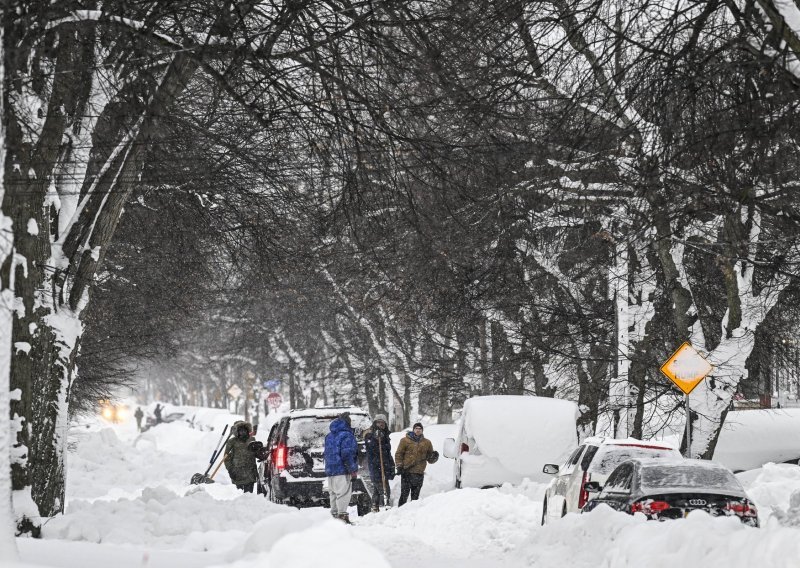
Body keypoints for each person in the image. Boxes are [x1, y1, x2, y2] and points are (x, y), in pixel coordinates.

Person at [324, 412, 359, 524]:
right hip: (342, 470)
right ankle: (342, 517)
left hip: (331, 470)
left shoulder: (329, 435)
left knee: (333, 494)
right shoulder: (347, 435)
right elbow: (347, 454)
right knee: (343, 493)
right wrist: (352, 470)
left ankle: (334, 517)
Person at [395, 422, 438, 506]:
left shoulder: (427, 442)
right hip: (406, 472)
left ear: (422, 430)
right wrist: (399, 466)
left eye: (420, 429)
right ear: (413, 430)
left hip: (419, 473)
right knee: (404, 495)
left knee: (415, 497)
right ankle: (399, 512)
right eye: (416, 429)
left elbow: (430, 459)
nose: (418, 430)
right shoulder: (404, 440)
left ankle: (413, 513)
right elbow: (399, 454)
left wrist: (434, 457)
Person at [363, 414, 395, 512]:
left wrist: (391, 465)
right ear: (375, 423)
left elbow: (387, 452)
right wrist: (375, 438)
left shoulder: (385, 435)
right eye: (378, 422)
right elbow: (370, 448)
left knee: (377, 489)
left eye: (382, 422)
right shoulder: (370, 435)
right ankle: (385, 505)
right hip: (376, 466)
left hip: (385, 465)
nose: (381, 424)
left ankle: (374, 507)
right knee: (384, 489)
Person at [224, 421, 258, 492]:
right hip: (238, 473)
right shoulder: (232, 442)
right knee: (239, 496)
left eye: (244, 430)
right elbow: (226, 458)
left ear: (248, 430)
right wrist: (230, 470)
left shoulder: (252, 440)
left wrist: (259, 450)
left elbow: (257, 454)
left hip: (250, 473)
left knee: (249, 495)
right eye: (240, 430)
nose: (243, 432)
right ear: (237, 431)